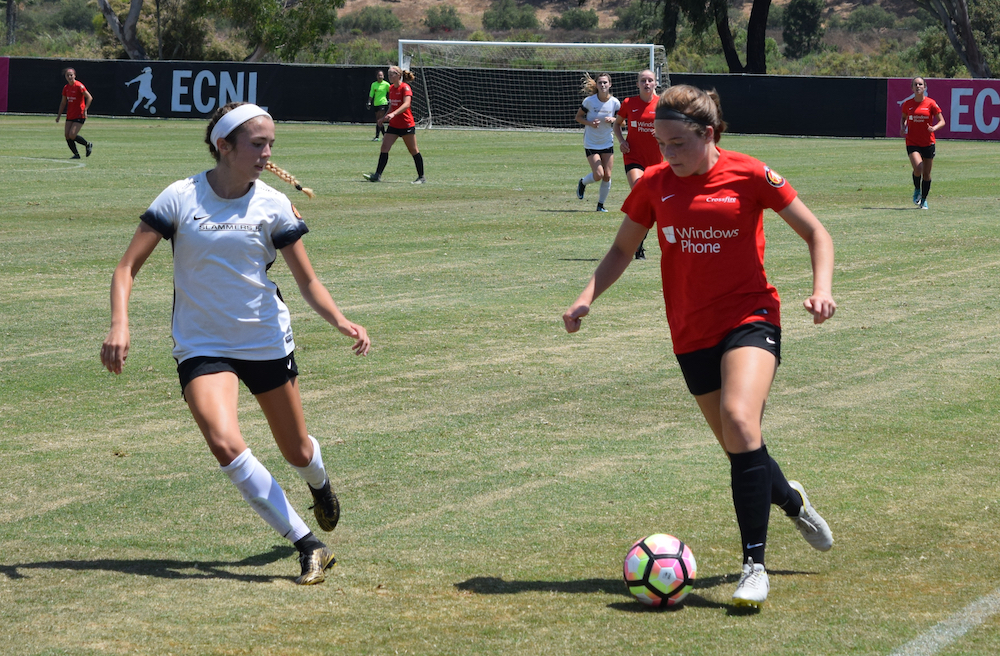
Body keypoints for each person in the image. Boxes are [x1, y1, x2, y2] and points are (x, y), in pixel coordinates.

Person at [563, 85, 836, 609]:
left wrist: (822, 290)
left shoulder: (751, 174)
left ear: (707, 134)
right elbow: (623, 248)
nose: (666, 154)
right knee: (741, 444)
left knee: (739, 418)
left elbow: (817, 233)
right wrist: (585, 298)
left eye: (677, 143)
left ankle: (753, 565)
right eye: (661, 144)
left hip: (750, 318)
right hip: (689, 332)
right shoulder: (655, 186)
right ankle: (792, 499)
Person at [100, 102, 371, 586]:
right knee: (224, 442)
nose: (267, 154)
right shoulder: (180, 197)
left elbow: (307, 282)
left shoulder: (273, 205)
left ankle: (320, 483)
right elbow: (125, 268)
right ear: (223, 146)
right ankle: (308, 544)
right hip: (202, 344)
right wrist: (120, 324)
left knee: (296, 450)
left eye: (271, 145)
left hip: (265, 338)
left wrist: (341, 320)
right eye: (257, 144)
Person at [613, 69, 661, 259]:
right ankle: (634, 244)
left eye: (650, 80)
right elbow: (617, 124)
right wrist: (622, 141)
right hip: (633, 158)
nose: (647, 83)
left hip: (656, 162)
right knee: (640, 191)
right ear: (637, 84)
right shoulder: (628, 103)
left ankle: (637, 243)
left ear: (655, 83)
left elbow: (673, 128)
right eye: (643, 80)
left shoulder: (662, 105)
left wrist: (660, 132)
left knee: (649, 205)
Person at [363, 66, 426, 184]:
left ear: (399, 75)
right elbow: (392, 106)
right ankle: (377, 175)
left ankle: (421, 177)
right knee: (384, 148)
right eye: (389, 74)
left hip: (406, 124)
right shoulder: (391, 88)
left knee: (413, 150)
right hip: (394, 125)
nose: (390, 76)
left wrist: (393, 114)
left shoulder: (405, 88)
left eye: (392, 74)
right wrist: (384, 117)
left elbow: (406, 104)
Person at [574, 73, 620, 212]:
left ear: (610, 84)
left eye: (605, 82)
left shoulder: (615, 103)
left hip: (607, 142)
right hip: (592, 143)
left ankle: (600, 205)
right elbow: (578, 117)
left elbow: (622, 122)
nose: (603, 85)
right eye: (600, 83)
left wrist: (614, 120)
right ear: (597, 85)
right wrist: (589, 123)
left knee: (607, 175)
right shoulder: (589, 101)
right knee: (598, 174)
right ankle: (583, 182)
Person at [901, 76, 945, 210]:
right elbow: (904, 117)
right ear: (912, 88)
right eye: (915, 84)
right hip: (912, 141)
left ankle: (924, 200)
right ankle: (916, 190)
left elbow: (942, 121)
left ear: (924, 87)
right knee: (918, 168)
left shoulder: (931, 103)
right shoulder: (907, 104)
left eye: (920, 84)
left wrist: (934, 128)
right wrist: (903, 127)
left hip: (928, 142)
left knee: (926, 174)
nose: (918, 86)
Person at [56, 67, 93, 159]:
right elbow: (63, 102)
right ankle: (76, 155)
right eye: (67, 75)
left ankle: (87, 144)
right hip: (70, 114)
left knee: (72, 135)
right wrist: (59, 116)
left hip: (80, 114)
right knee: (67, 135)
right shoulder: (66, 88)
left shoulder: (79, 86)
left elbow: (89, 97)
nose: (69, 77)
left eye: (71, 75)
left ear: (75, 75)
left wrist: (85, 109)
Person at [367, 70, 391, 142]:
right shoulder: (374, 84)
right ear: (376, 76)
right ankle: (385, 136)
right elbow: (371, 94)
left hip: (383, 103)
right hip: (376, 104)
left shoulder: (386, 84)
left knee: (379, 120)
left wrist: (390, 100)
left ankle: (377, 137)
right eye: (378, 75)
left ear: (383, 76)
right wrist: (369, 102)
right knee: (379, 121)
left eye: (381, 75)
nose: (380, 77)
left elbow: (391, 92)